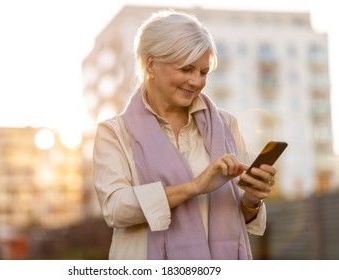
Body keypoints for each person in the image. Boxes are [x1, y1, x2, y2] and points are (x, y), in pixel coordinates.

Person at [92, 9, 277, 260]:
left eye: (203, 72)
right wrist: (194, 187)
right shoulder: (114, 133)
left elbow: (239, 218)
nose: (196, 82)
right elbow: (115, 208)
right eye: (186, 69)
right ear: (151, 64)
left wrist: (252, 199)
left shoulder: (226, 125)